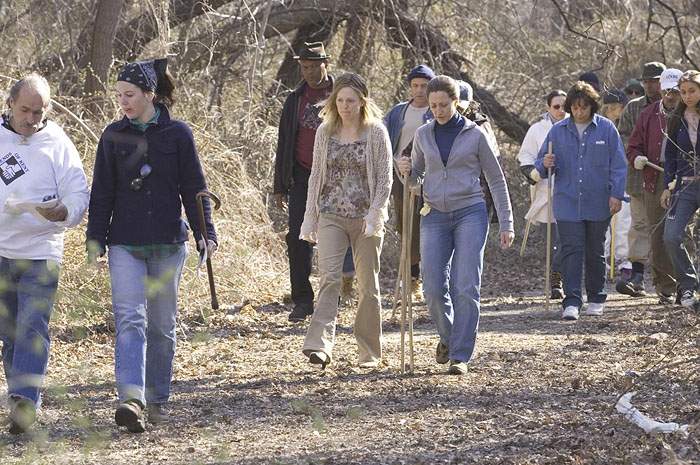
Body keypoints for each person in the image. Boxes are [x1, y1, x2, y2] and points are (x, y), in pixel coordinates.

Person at [86, 59, 217, 433]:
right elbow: (103, 192)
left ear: (149, 94)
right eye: (119, 96)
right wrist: (95, 238)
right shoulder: (113, 136)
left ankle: (156, 397)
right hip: (125, 243)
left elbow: (195, 187)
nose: (123, 102)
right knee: (130, 320)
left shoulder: (177, 134)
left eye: (129, 95)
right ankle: (130, 398)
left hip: (168, 244)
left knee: (161, 325)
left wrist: (206, 232)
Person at [397, 75, 514, 375]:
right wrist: (407, 172)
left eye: (443, 105)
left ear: (456, 103)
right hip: (433, 213)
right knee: (433, 288)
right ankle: (449, 338)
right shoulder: (423, 134)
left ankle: (460, 355)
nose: (438, 110)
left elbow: (496, 179)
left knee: (465, 285)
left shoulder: (475, 135)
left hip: (470, 212)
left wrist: (506, 223)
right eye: (433, 106)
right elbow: (417, 179)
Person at [0, 74, 89, 433]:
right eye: (25, 110)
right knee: (10, 333)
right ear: (10, 104)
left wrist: (65, 212)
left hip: (42, 249)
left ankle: (25, 399)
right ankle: (18, 396)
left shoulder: (58, 143)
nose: (32, 119)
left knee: (33, 326)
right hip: (2, 249)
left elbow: (78, 192)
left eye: (39, 112)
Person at [299, 72, 392, 369]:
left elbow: (385, 180)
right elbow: (315, 177)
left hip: (366, 217)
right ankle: (319, 346)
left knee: (368, 284)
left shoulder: (376, 132)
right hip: (331, 214)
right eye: (339, 100)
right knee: (329, 278)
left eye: (350, 100)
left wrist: (375, 213)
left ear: (362, 101)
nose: (344, 106)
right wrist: (309, 219)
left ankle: (369, 352)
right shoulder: (325, 132)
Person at [271, 42, 355, 321]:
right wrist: (280, 185)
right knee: (298, 237)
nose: (307, 72)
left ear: (325, 65)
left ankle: (336, 292)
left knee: (339, 234)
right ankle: (302, 300)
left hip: (338, 176)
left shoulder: (341, 95)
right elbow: (284, 142)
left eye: (312, 66)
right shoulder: (295, 99)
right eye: (303, 67)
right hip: (303, 175)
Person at [535, 81, 627, 321]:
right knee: (571, 250)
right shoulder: (557, 131)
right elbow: (540, 165)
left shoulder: (606, 129)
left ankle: (596, 297)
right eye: (574, 107)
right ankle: (572, 301)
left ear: (592, 106)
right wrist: (545, 164)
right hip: (566, 201)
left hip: (599, 201)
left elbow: (618, 165)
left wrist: (616, 194)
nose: (579, 112)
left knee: (595, 251)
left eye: (584, 107)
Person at [627, 68, 683, 303]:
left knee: (681, 233)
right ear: (661, 90)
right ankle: (665, 288)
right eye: (667, 91)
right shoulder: (648, 114)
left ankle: (685, 284)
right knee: (657, 234)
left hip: (684, 177)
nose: (671, 96)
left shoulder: (690, 115)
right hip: (654, 176)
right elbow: (632, 146)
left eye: (676, 91)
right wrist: (636, 158)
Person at [384, 64, 435, 301]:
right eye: (415, 85)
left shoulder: (435, 111)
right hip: (399, 175)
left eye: (424, 86)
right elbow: (383, 138)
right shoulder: (398, 112)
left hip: (430, 176)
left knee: (430, 227)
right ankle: (411, 279)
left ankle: (431, 278)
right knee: (406, 227)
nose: (419, 90)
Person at [617, 62, 666, 296]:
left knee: (666, 229)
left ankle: (668, 280)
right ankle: (637, 276)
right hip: (638, 177)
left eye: (655, 80)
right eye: (646, 80)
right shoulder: (633, 108)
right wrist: (635, 154)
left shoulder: (675, 105)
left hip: (668, 178)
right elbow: (622, 137)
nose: (650, 85)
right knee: (639, 225)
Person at [517, 89, 567, 299]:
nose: (561, 110)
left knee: (567, 238)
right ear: (548, 108)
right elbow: (525, 158)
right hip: (546, 191)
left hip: (570, 189)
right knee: (552, 240)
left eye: (565, 106)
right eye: (556, 106)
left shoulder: (574, 126)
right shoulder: (537, 129)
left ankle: (564, 277)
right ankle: (554, 279)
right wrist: (537, 170)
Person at [661, 70, 700, 308]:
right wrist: (668, 186)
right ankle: (687, 287)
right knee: (671, 236)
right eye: (683, 92)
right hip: (684, 185)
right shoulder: (675, 119)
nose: (687, 96)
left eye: (692, 91)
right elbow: (671, 156)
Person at [600, 88, 633, 285]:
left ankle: (624, 262)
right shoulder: (599, 126)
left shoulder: (628, 128)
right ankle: (602, 262)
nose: (612, 111)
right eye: (609, 107)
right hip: (601, 180)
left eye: (616, 107)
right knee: (602, 225)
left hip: (625, 180)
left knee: (623, 223)